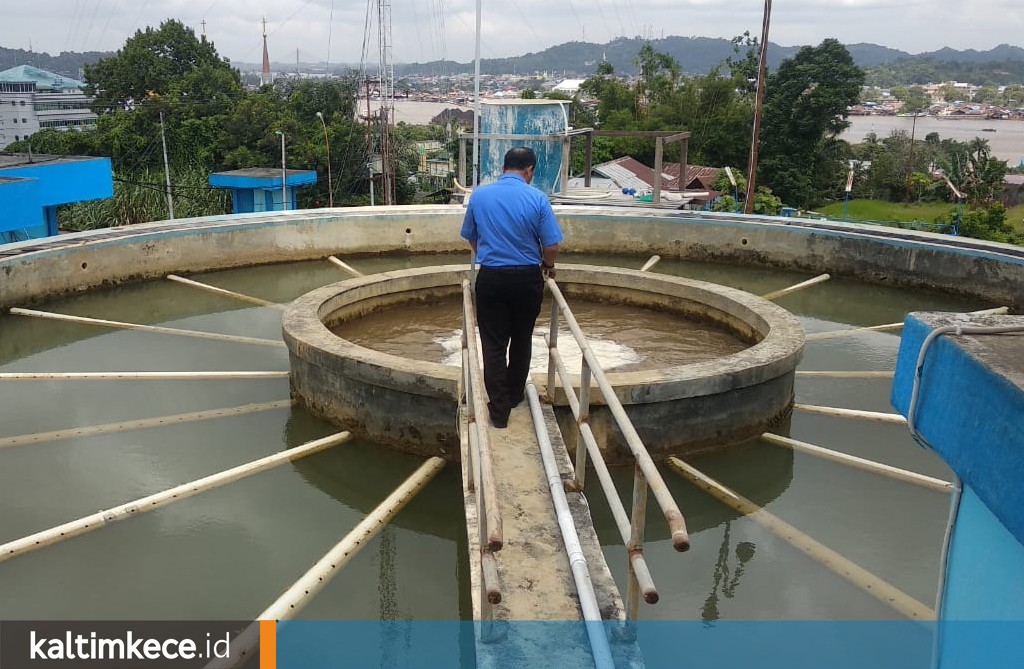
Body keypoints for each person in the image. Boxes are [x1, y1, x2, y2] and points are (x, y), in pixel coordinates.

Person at [460, 147, 563, 429]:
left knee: (493, 343)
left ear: (504, 167)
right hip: (527, 279)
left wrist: (489, 254)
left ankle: (499, 409)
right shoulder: (538, 198)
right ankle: (515, 394)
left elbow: (471, 237)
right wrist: (546, 264)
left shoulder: (479, 196)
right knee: (521, 339)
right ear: (529, 170)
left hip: (492, 277)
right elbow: (552, 245)